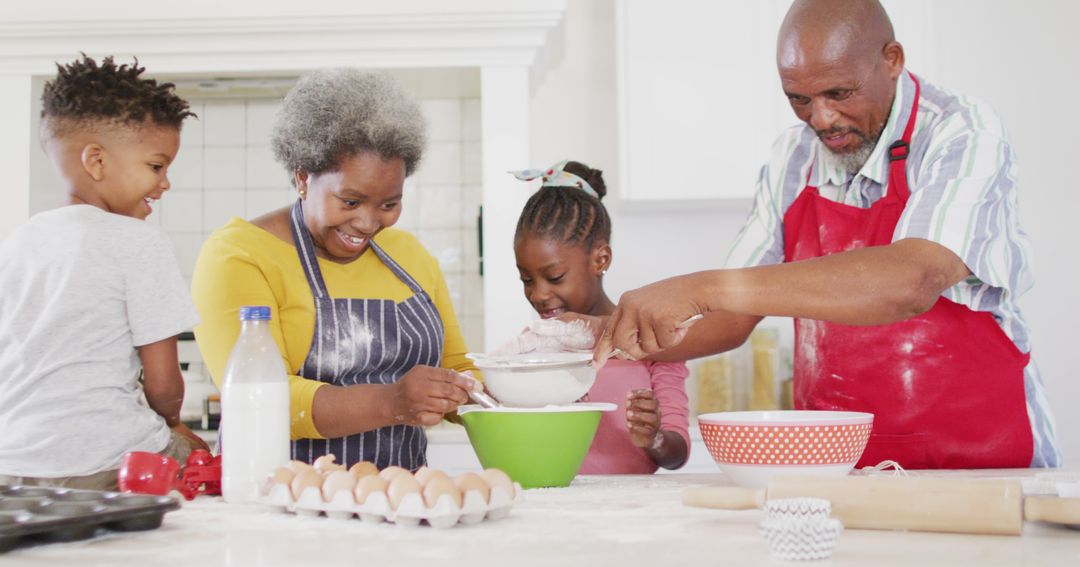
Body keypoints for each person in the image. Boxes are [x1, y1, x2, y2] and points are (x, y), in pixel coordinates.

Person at [591, 0, 1060, 469]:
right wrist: (611, 332)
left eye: (841, 92)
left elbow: (911, 281)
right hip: (839, 471)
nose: (822, 119)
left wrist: (703, 288)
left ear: (892, 59)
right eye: (799, 99)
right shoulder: (792, 160)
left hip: (984, 469)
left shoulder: (961, 133)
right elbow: (731, 319)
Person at [191, 69, 479, 471]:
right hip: (282, 502)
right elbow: (258, 398)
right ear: (303, 179)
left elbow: (457, 368)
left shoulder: (408, 254)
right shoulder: (238, 255)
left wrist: (528, 382)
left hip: (400, 505)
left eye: (388, 204)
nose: (367, 223)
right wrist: (393, 401)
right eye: (350, 202)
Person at [0, 55, 209, 490]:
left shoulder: (18, 242)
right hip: (109, 458)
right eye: (156, 166)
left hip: (13, 459)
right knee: (205, 461)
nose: (165, 182)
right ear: (96, 161)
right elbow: (164, 384)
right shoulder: (138, 241)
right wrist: (172, 423)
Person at [505, 160, 690, 473]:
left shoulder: (651, 339)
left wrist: (654, 437)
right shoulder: (535, 345)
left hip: (632, 515)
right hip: (552, 510)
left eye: (555, 277)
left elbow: (677, 454)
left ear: (600, 259)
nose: (537, 294)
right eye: (526, 279)